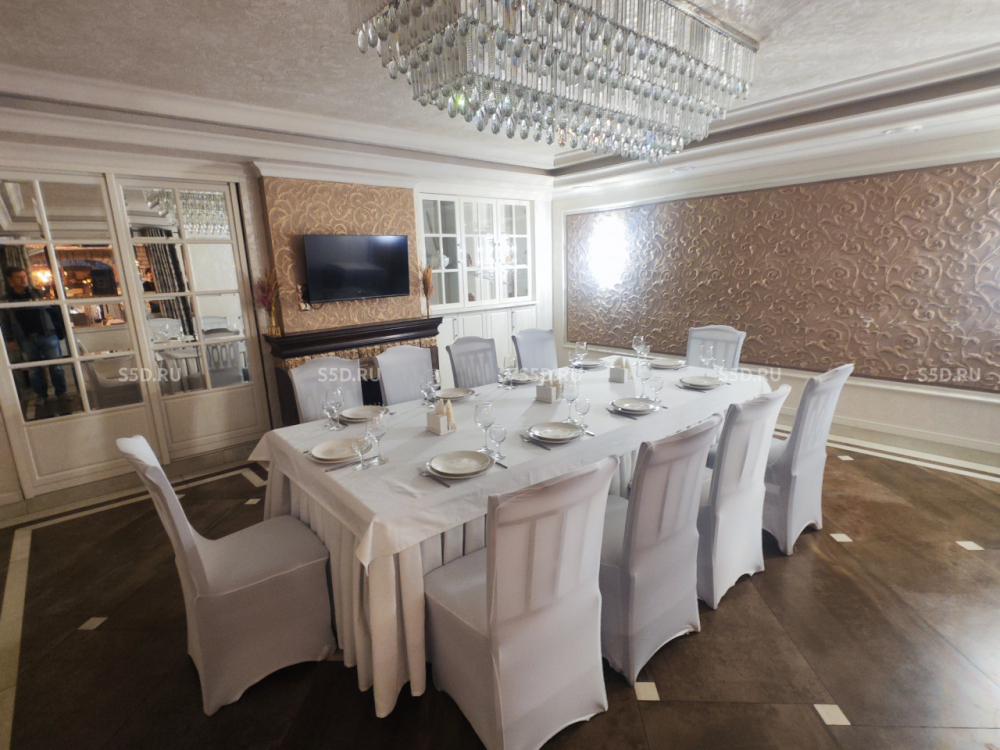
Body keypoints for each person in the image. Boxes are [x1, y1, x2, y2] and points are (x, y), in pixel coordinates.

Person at [1, 266, 68, 403]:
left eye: (24, 276)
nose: (23, 279)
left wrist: (59, 329)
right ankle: (41, 396)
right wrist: (10, 339)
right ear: (10, 281)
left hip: (47, 334)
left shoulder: (38, 293)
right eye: (19, 277)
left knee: (56, 366)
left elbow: (55, 310)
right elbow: (4, 322)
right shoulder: (6, 300)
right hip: (25, 338)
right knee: (34, 370)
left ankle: (61, 393)